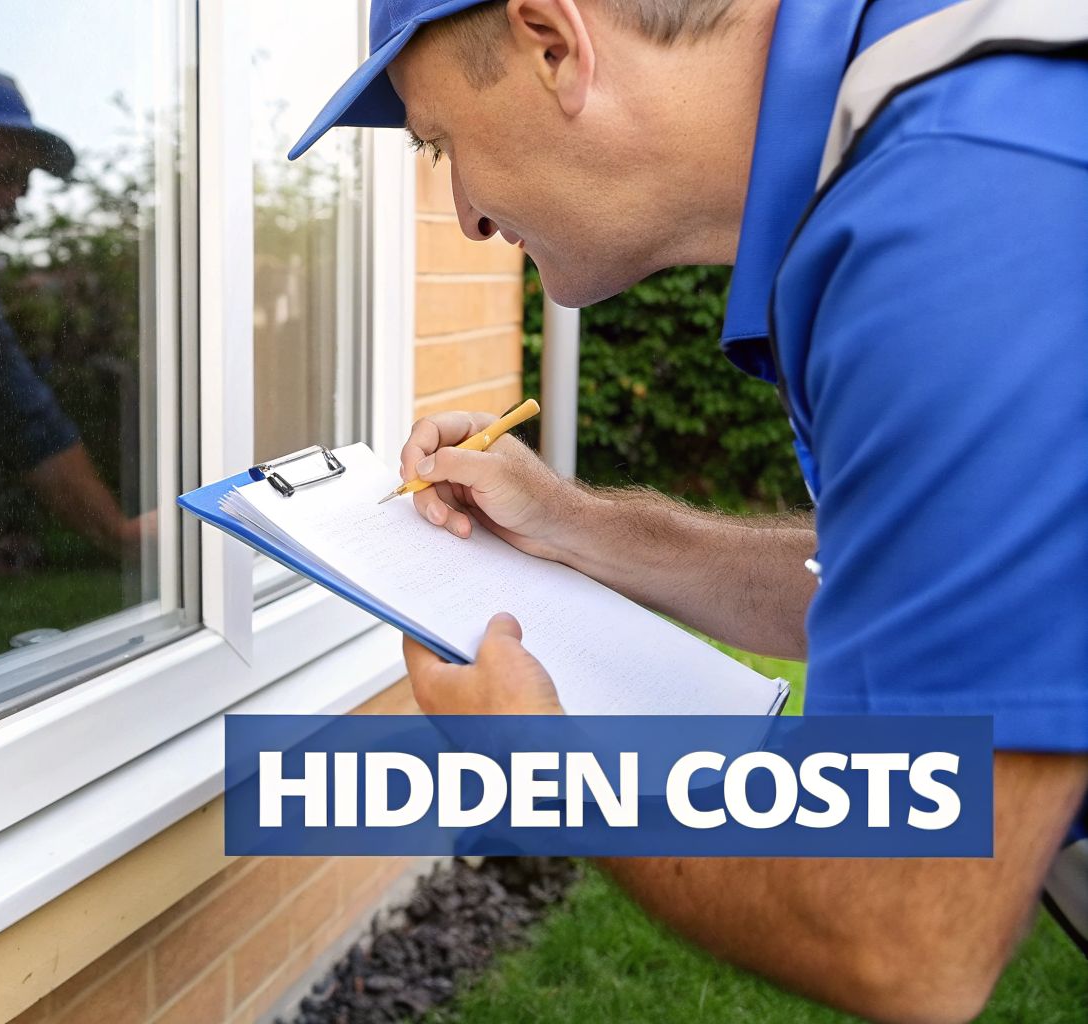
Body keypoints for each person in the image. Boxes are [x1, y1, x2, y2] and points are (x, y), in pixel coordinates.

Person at [290, 1, 1087, 1020]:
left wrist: (543, 774)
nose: (466, 216)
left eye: (442, 143)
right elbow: (917, 585)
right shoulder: (925, 136)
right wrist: (576, 524)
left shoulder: (950, 209)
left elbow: (897, 928)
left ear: (550, 46)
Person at [0, 63, 148, 573]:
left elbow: (29, 419)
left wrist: (123, 537)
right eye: (3, 172)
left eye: (24, 181)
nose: (17, 200)